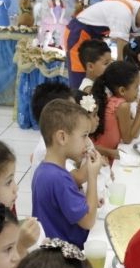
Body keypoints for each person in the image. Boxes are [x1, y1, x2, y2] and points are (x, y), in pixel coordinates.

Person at [32, 99, 102, 248]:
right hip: (65, 256)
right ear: (62, 137)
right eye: (84, 136)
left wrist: (90, 199)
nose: (87, 142)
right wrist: (92, 176)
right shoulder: (59, 178)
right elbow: (88, 221)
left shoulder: (44, 170)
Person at [64, 0, 140, 89]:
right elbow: (120, 60)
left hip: (96, 38)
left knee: (97, 82)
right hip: (78, 34)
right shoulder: (124, 15)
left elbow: (130, 50)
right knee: (80, 82)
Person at [90, 61, 140, 161]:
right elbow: (128, 139)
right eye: (136, 87)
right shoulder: (122, 105)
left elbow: (134, 134)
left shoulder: (110, 99)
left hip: (101, 153)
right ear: (122, 90)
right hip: (105, 158)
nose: (138, 91)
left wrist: (139, 110)